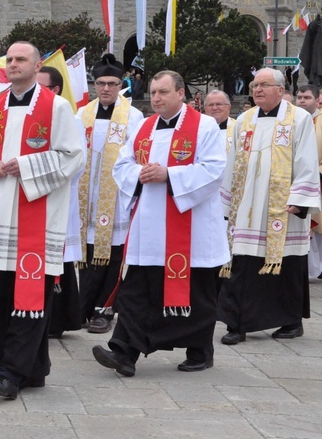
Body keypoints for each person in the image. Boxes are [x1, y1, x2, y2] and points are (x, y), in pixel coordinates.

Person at [92, 70, 229, 376]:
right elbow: (122, 165)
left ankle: (200, 351)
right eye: (153, 92)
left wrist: (169, 175)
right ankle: (124, 354)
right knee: (137, 291)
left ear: (181, 94)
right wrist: (138, 175)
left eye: (163, 92)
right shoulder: (144, 127)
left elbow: (213, 170)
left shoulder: (204, 126)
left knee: (197, 294)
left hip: (190, 227)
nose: (156, 98)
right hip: (150, 227)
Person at [0, 41, 85, 399]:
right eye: (10, 59)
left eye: (21, 59)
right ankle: (30, 368)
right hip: (4, 210)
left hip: (40, 211)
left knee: (33, 291)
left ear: (37, 68)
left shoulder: (57, 107)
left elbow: (73, 156)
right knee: (7, 290)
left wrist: (29, 165)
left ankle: (11, 373)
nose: (14, 64)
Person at [218, 68, 320, 345]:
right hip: (247, 204)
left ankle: (290, 321)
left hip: (282, 207)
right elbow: (233, 161)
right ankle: (236, 323)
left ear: (280, 88)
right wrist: (226, 202)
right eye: (254, 85)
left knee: (285, 265)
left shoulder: (298, 119)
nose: (258, 90)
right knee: (242, 263)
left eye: (264, 85)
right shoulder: (245, 120)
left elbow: (307, 159)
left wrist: (300, 200)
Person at [77, 54, 144, 335]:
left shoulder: (134, 116)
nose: (106, 88)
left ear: (121, 85)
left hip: (115, 196)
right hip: (86, 196)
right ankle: (82, 307)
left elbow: (138, 155)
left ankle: (105, 309)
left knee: (113, 253)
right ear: (95, 84)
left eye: (112, 84)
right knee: (86, 252)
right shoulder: (81, 114)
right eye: (101, 83)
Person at [36, 66, 86, 338]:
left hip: (57, 195)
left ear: (55, 89)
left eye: (41, 85)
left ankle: (58, 319)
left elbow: (78, 161)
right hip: (29, 198)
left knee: (58, 256)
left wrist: (41, 176)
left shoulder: (68, 116)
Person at [295, 85, 322, 279]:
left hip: (319, 176)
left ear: (316, 100)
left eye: (307, 97)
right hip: (296, 178)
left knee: (318, 225)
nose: (302, 101)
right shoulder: (291, 119)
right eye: (300, 97)